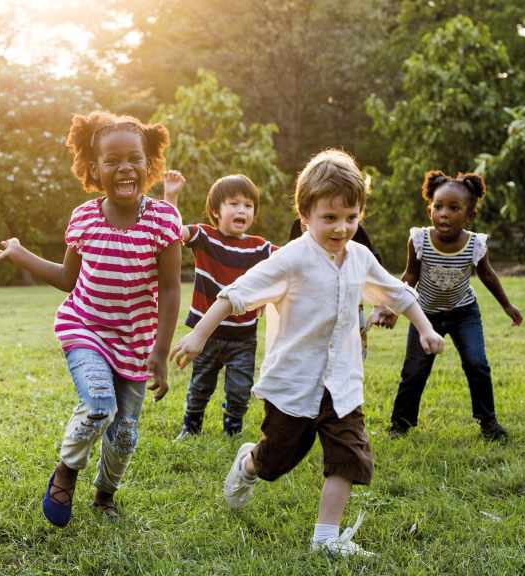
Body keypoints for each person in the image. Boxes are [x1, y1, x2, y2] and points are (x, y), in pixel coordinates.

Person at [170, 150, 445, 557]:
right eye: (329, 218)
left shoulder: (360, 258)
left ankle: (325, 539)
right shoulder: (291, 259)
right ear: (305, 217)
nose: (342, 227)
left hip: (342, 383)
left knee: (348, 456)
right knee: (277, 459)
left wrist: (425, 328)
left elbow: (396, 293)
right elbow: (235, 295)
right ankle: (249, 462)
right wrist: (197, 338)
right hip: (295, 383)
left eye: (351, 217)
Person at [0, 111, 181, 526]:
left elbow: (169, 290)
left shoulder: (164, 221)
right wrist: (21, 254)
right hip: (86, 327)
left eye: (134, 158)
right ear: (95, 169)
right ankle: (66, 471)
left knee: (126, 433)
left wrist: (160, 352)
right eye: (112, 161)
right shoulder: (83, 219)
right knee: (98, 406)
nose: (125, 167)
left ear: (149, 164)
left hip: (136, 340)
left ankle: (105, 494)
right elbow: (66, 278)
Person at [375, 171, 522, 441]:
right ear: (430, 208)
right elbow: (410, 276)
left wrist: (507, 306)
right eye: (438, 206)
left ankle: (488, 423)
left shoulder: (474, 244)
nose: (444, 213)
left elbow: (487, 275)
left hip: (464, 313)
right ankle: (400, 424)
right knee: (414, 371)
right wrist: (392, 308)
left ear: (469, 216)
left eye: (454, 208)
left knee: (477, 363)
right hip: (425, 316)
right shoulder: (419, 240)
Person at [162, 172, 276, 439]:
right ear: (216, 210)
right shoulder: (205, 237)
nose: (242, 210)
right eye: (234, 204)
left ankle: (232, 428)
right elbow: (171, 233)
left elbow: (292, 259)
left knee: (240, 388)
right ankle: (191, 427)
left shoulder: (259, 248)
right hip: (207, 336)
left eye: (248, 206)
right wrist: (171, 196)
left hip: (243, 337)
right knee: (200, 385)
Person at [288, 218, 381, 360]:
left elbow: (371, 266)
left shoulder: (351, 227)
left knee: (350, 353)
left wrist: (380, 305)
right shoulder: (297, 226)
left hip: (347, 302)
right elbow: (291, 265)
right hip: (311, 303)